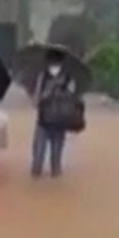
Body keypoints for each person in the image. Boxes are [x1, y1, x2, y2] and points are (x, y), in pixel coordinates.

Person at [32, 49, 80, 178]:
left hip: (57, 123)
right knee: (40, 161)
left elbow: (73, 100)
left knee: (53, 163)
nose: (54, 66)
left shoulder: (68, 79)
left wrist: (60, 90)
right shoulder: (43, 77)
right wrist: (49, 90)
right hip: (46, 122)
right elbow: (36, 101)